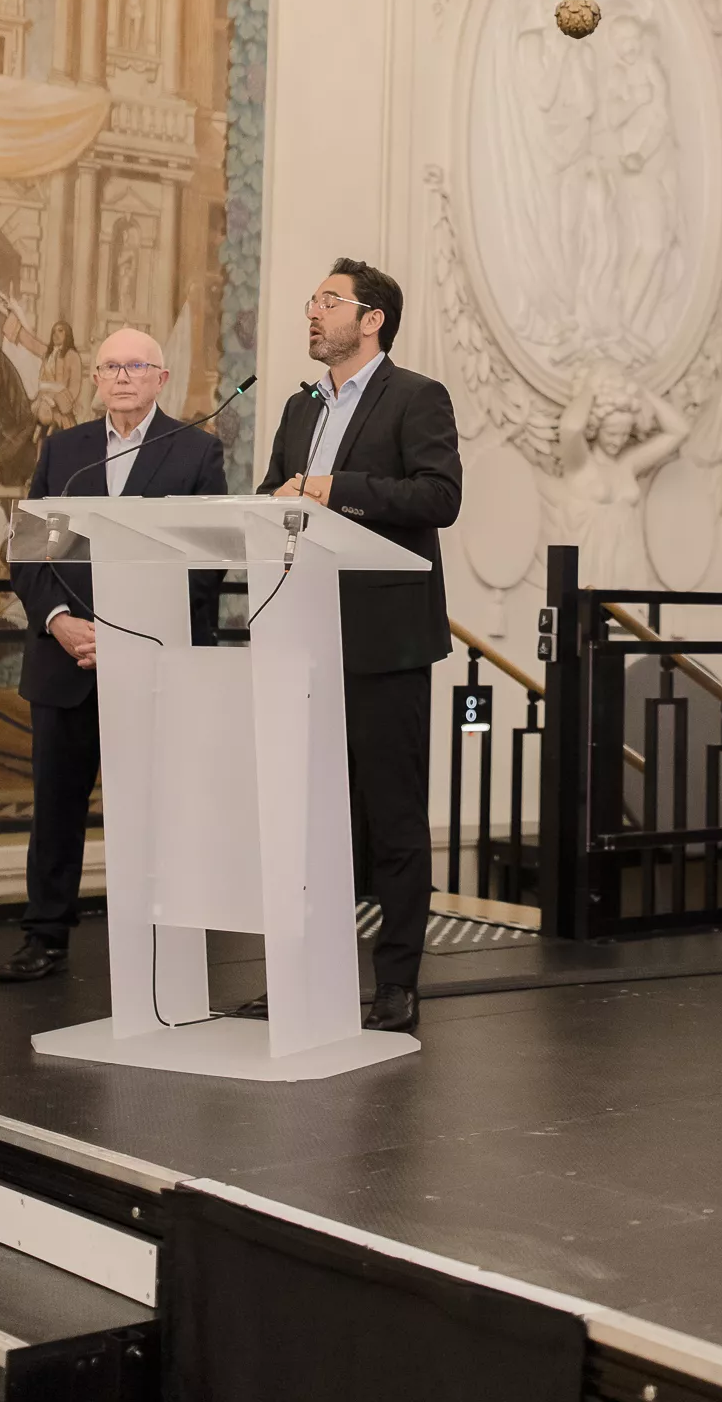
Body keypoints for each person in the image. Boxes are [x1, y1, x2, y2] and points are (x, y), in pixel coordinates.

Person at [258, 259, 462, 1036]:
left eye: (329, 301)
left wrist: (331, 488)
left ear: (371, 319)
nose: (313, 312)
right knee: (309, 819)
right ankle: (306, 976)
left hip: (385, 638)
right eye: (312, 300)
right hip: (302, 632)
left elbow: (439, 496)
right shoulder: (299, 405)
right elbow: (274, 493)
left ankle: (397, 981)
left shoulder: (415, 396)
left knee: (393, 817)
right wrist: (277, 499)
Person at [0, 325, 227, 984]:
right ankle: (45, 936)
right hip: (66, 658)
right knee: (56, 808)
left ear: (160, 379)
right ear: (94, 379)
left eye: (136, 366)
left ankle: (161, 938)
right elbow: (31, 551)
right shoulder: (63, 451)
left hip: (154, 665)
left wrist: (130, 634)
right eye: (110, 367)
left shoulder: (195, 451)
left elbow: (205, 562)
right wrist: (60, 621)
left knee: (158, 810)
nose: (122, 377)